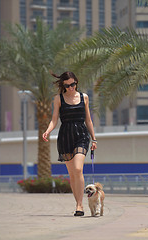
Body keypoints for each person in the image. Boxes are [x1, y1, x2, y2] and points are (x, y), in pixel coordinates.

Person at [42, 71, 97, 217]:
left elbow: (88, 120)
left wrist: (94, 138)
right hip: (65, 136)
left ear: (76, 82)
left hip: (82, 135)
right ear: (63, 85)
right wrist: (47, 131)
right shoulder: (58, 98)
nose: (70, 88)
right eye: (67, 85)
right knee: (72, 174)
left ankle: (80, 205)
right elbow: (54, 119)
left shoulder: (84, 97)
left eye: (73, 84)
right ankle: (78, 204)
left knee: (78, 169)